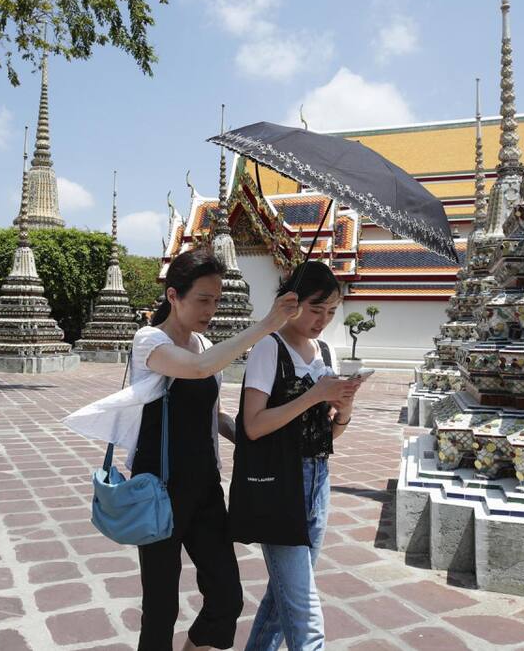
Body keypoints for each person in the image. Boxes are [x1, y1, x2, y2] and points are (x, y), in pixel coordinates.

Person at [124, 248, 301, 651]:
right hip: (159, 488)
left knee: (227, 595)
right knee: (161, 606)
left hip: (204, 487)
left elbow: (214, 418)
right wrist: (268, 324)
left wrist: (259, 440)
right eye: (203, 299)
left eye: (217, 300)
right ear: (173, 296)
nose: (211, 308)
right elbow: (198, 369)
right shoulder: (148, 342)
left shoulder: (205, 342)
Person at [233, 261, 367, 651]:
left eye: (331, 311)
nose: (322, 320)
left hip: (317, 481)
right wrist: (313, 395)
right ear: (291, 302)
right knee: (305, 611)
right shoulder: (268, 349)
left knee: (284, 597)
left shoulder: (325, 352)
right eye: (315, 309)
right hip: (280, 485)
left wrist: (344, 408)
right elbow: (253, 426)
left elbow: (330, 434)